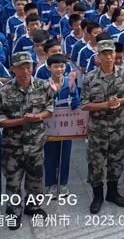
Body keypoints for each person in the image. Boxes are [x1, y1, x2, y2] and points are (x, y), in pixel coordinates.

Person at [0, 51, 54, 230]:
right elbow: (1, 120)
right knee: (13, 181)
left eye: (28, 67)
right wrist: (22, 121)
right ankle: (14, 211)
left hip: (35, 144)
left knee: (35, 179)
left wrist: (38, 117)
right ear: (13, 69)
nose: (25, 71)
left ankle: (33, 207)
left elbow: (50, 108)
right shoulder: (4, 91)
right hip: (12, 146)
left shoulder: (43, 86)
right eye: (21, 68)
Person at [81, 39, 124, 214]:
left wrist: (119, 101)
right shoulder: (89, 78)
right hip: (98, 130)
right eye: (104, 54)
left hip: (118, 127)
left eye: (111, 53)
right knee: (96, 164)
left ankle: (112, 192)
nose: (109, 57)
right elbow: (84, 104)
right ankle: (97, 196)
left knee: (116, 162)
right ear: (99, 57)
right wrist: (105, 105)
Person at [43, 53, 80, 196]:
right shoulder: (45, 84)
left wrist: (71, 89)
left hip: (66, 128)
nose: (59, 69)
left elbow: (75, 105)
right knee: (50, 156)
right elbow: (41, 105)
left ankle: (63, 183)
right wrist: (52, 93)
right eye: (56, 66)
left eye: (62, 66)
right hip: (50, 128)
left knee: (65, 156)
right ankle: (50, 183)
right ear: (49, 67)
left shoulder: (69, 82)